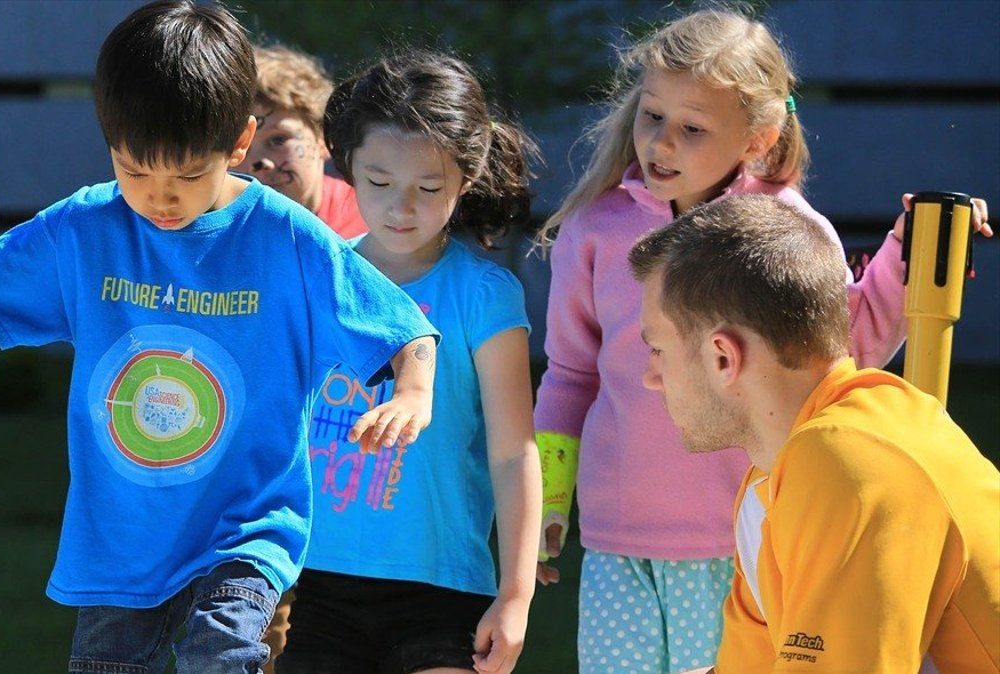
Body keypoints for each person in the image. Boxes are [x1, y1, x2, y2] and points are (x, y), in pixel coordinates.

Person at [0, 2, 439, 671]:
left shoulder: (286, 239)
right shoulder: (89, 228)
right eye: (135, 170)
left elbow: (404, 325)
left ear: (239, 144)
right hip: (121, 540)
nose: (160, 198)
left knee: (222, 654)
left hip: (246, 529)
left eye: (185, 175)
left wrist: (412, 392)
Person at [531, 9, 916, 672]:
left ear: (758, 138)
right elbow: (569, 373)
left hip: (739, 539)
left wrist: (910, 259)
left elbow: (839, 358)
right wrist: (548, 497)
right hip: (615, 540)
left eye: (692, 128)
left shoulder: (784, 232)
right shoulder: (595, 227)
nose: (661, 143)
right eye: (652, 116)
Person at [627, 194, 998, 673]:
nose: (650, 377)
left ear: (723, 357)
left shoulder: (852, 463)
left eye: (657, 349)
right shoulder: (772, 480)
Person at [274, 51, 540, 674]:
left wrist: (516, 595)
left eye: (428, 188)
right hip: (317, 585)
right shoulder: (319, 273)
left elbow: (513, 451)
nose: (401, 208)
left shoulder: (483, 295)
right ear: (345, 165)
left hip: (444, 590)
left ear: (466, 180)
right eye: (378, 182)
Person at [244, 44, 367, 239]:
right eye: (238, 146)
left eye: (278, 140)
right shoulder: (212, 235)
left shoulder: (372, 219)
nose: (259, 163)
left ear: (325, 140)